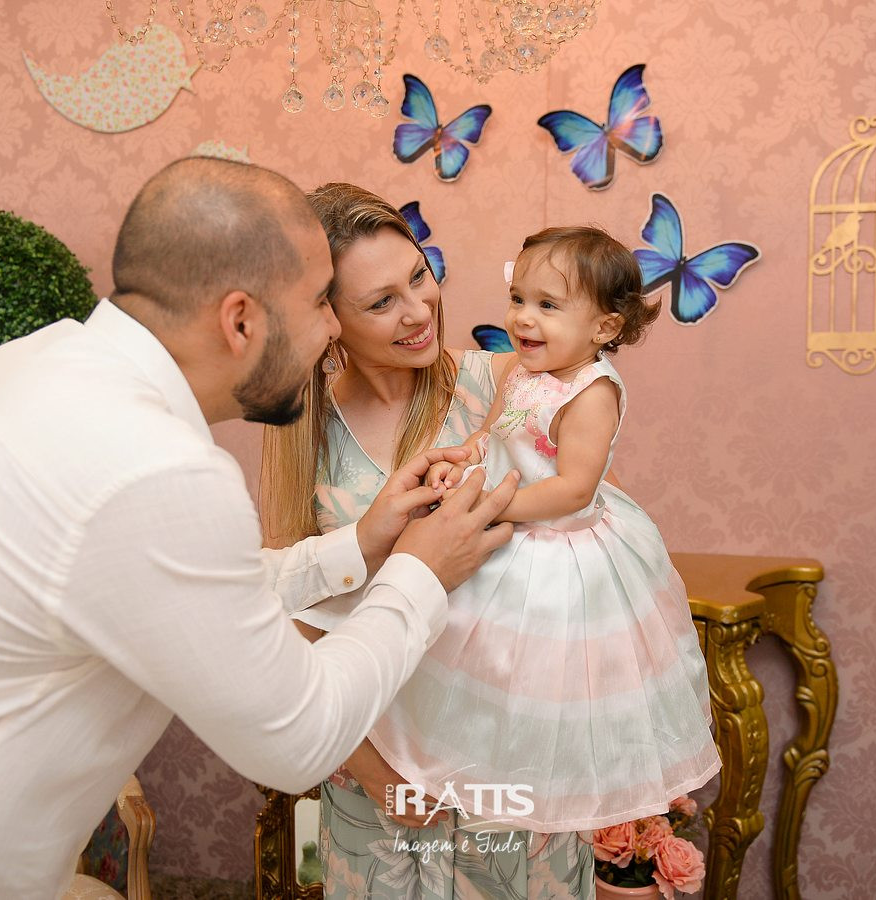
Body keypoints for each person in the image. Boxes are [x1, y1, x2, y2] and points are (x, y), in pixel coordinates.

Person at [0, 158, 518, 899]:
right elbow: (298, 740)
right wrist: (420, 571)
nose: (333, 327)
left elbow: (200, 588)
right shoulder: (153, 466)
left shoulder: (40, 365)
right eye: (318, 304)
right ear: (241, 321)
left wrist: (360, 544)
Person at [261, 184, 594, 898]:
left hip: (513, 770)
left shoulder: (512, 389)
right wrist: (378, 778)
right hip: (375, 783)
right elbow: (290, 619)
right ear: (328, 319)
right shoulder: (302, 436)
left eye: (419, 276)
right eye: (381, 301)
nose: (419, 310)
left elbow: (587, 552)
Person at [373, 224, 722, 833]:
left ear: (604, 327)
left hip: (559, 552)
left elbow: (573, 489)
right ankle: (464, 769)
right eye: (518, 299)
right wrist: (466, 457)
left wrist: (496, 506)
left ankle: (535, 787)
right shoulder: (522, 372)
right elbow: (496, 432)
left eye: (548, 306)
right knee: (475, 662)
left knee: (543, 679)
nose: (523, 318)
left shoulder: (592, 393)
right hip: (506, 530)